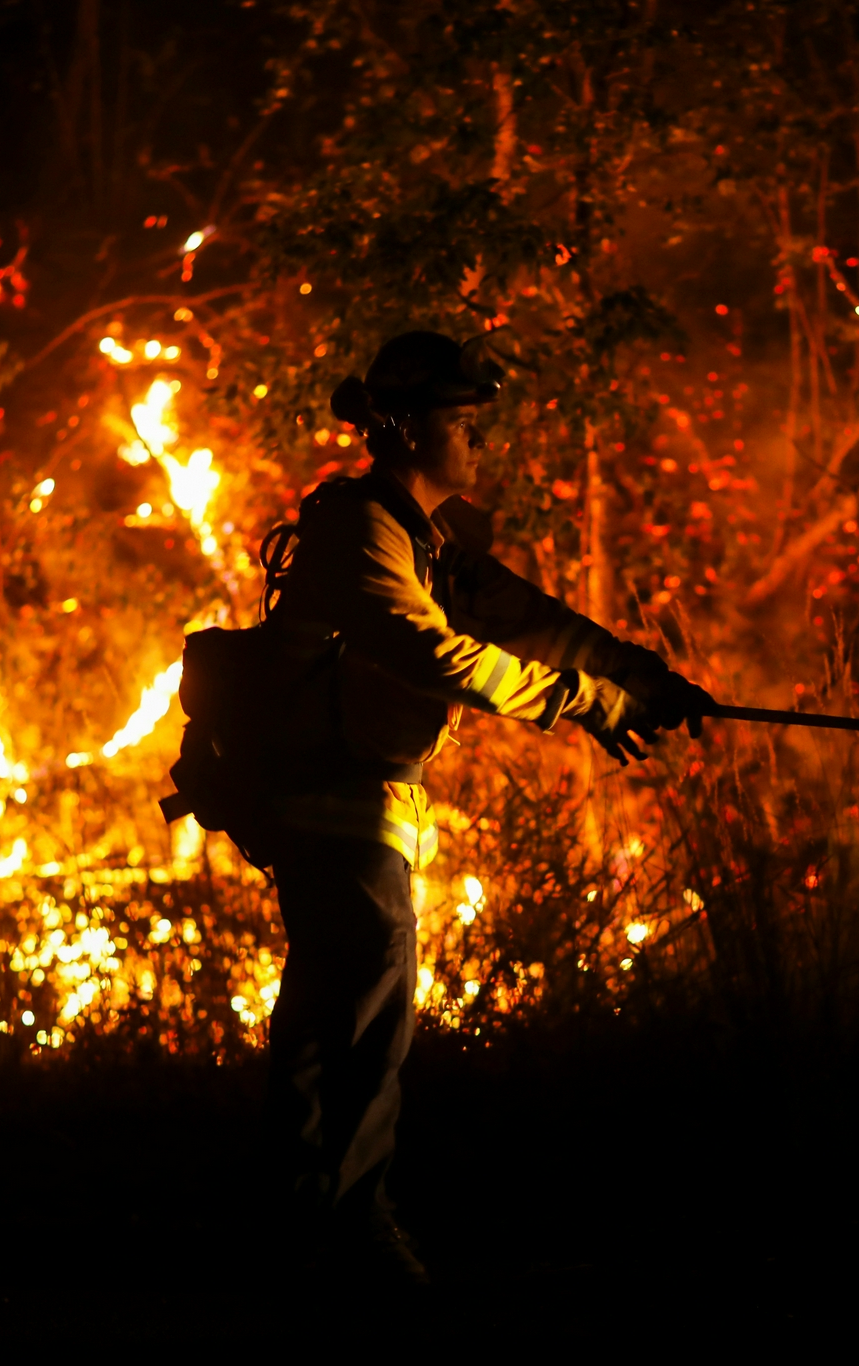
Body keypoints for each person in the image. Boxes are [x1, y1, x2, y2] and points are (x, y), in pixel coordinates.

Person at [258, 330, 713, 1285]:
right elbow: (429, 652)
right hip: (339, 804)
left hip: (357, 801)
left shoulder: (428, 538)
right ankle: (352, 1234)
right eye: (462, 424)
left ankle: (303, 1224)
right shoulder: (362, 528)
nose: (476, 442)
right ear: (405, 429)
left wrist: (645, 678)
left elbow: (527, 618)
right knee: (366, 1019)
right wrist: (584, 701)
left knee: (324, 1021)